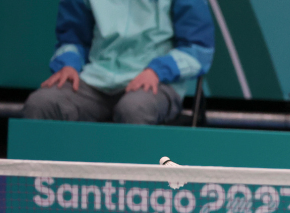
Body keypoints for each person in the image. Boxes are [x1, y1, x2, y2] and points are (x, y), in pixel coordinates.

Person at [23, 0, 215, 125]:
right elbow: (72, 38)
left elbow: (199, 49)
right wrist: (69, 63)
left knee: (134, 109)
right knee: (41, 104)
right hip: (95, 78)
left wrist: (157, 70)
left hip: (155, 82)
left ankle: (137, 187)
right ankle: (39, 187)